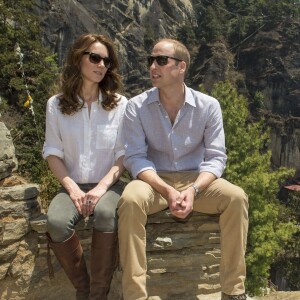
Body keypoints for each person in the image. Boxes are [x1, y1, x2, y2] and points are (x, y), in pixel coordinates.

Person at [117, 38, 249, 300]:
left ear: (181, 67)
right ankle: (135, 295)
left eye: (161, 60)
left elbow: (215, 158)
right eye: (150, 60)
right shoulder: (136, 106)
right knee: (130, 200)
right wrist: (166, 190)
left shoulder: (208, 106)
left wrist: (194, 189)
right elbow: (135, 158)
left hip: (196, 178)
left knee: (236, 198)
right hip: (153, 179)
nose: (153, 66)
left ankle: (233, 291)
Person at [43, 33, 127, 300]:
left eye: (106, 60)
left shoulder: (120, 105)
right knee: (56, 222)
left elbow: (123, 156)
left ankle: (98, 294)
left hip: (110, 185)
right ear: (78, 58)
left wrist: (101, 188)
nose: (101, 65)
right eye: (94, 58)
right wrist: (74, 190)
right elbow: (52, 153)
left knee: (105, 214)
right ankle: (84, 289)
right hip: (72, 184)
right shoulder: (55, 105)